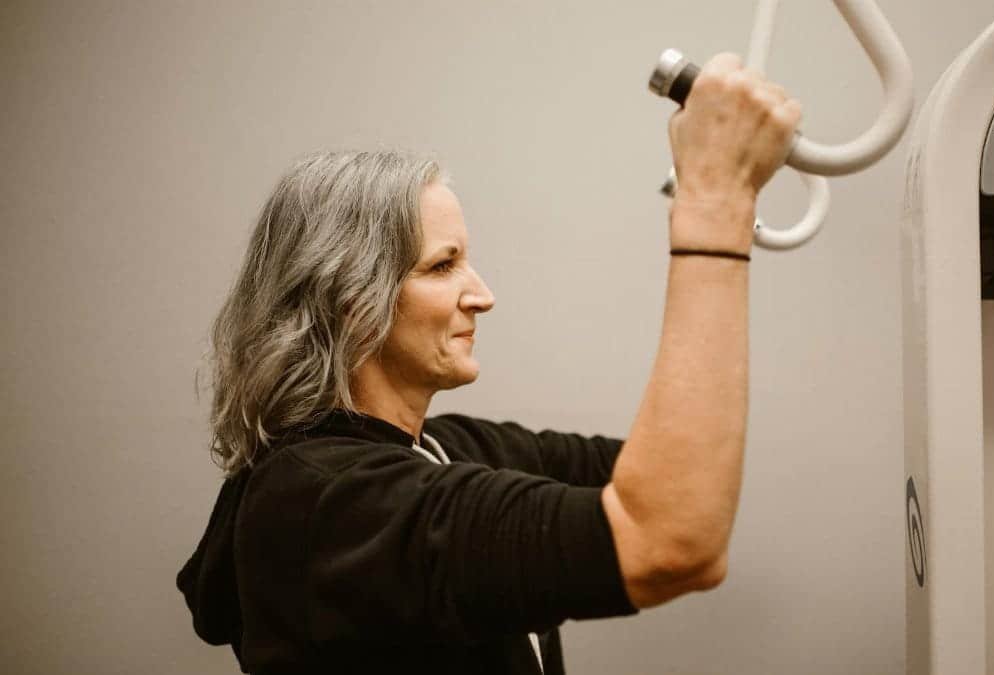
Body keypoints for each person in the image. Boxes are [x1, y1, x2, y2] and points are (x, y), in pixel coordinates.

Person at [177, 52, 802, 674]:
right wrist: (714, 204)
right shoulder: (331, 505)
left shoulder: (444, 449)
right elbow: (671, 538)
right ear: (351, 302)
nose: (482, 294)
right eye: (443, 266)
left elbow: (686, 486)